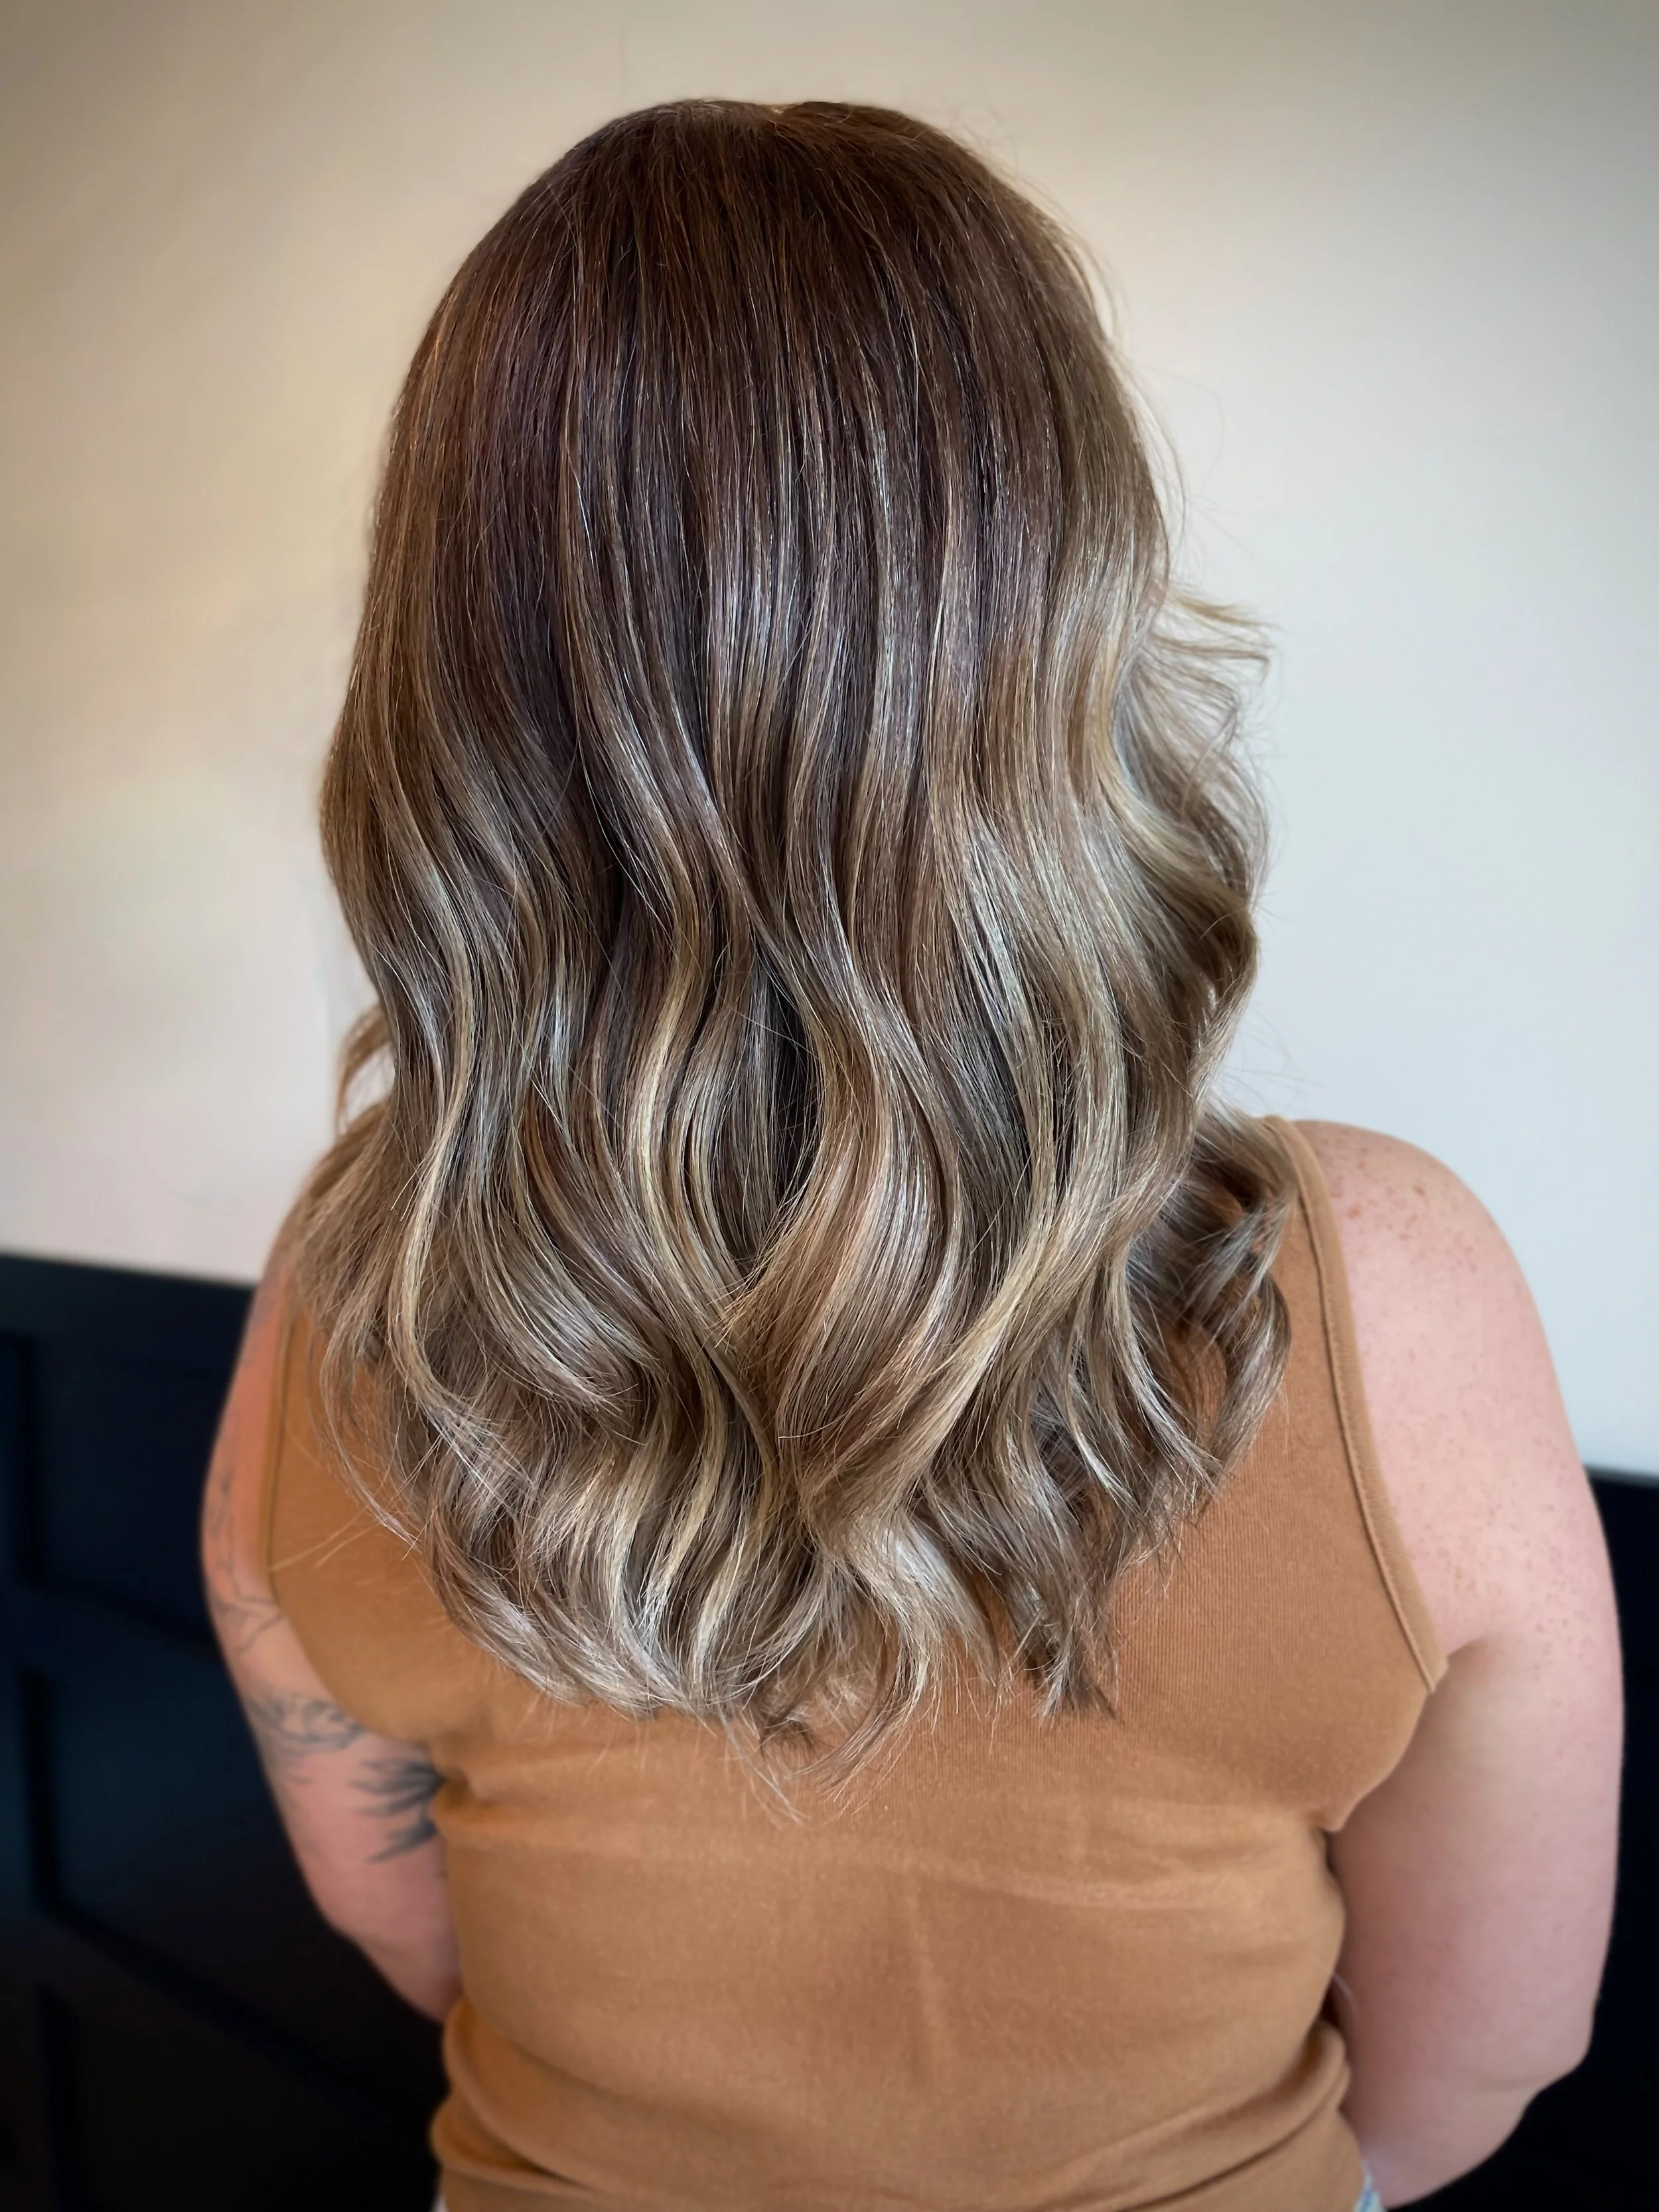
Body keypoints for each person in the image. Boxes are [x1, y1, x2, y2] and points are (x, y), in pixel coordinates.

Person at [200, 100, 1623, 2212]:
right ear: (1059, 612)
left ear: (455, 691)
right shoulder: (1383, 1279)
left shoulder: (355, 1279)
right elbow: (1492, 2043)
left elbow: (391, 1909)